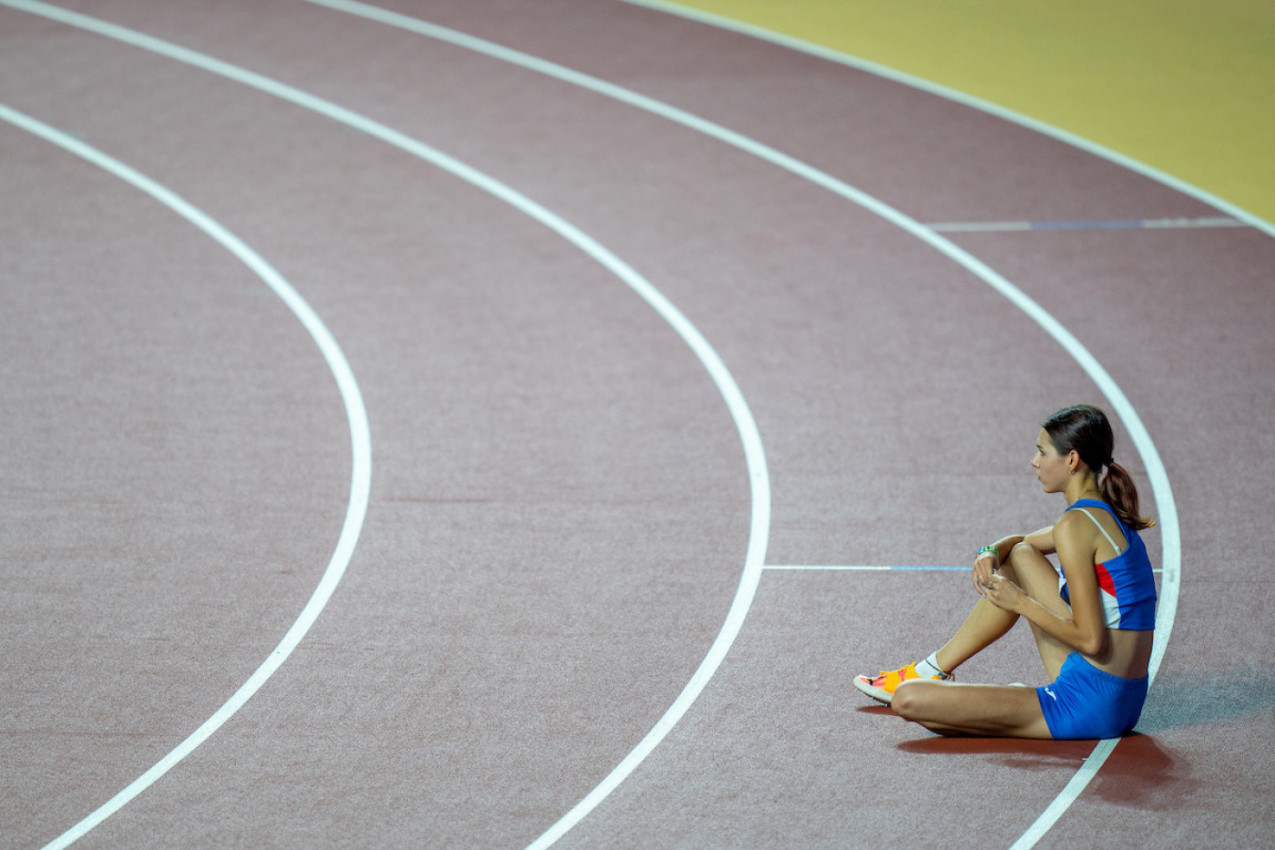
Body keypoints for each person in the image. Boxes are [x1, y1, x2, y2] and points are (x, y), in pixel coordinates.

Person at [853, 404, 1157, 738]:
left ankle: (980, 693)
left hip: (1088, 703)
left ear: (1071, 460)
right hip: (1125, 698)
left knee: (908, 701)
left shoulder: (1074, 526)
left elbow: (1091, 640)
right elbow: (1021, 544)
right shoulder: (1102, 515)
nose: (1034, 461)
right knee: (1020, 555)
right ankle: (937, 672)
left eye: (1042, 452)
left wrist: (1020, 602)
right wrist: (991, 551)